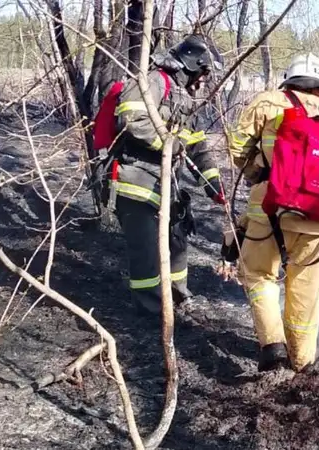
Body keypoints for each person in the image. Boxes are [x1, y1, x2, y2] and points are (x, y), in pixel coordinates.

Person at [228, 53, 319, 372]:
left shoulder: (268, 102)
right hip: (318, 218)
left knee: (257, 274)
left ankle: (272, 345)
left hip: (269, 207)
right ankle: (303, 361)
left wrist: (257, 173)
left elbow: (237, 148)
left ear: (289, 79)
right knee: (306, 291)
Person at [105, 34, 226, 315]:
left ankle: (177, 297)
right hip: (136, 182)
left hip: (166, 185)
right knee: (146, 251)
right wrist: (172, 144)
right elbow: (132, 121)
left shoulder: (185, 96)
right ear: (192, 64)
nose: (205, 80)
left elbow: (197, 145)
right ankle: (151, 310)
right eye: (204, 72)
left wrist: (213, 183)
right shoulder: (152, 82)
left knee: (177, 240)